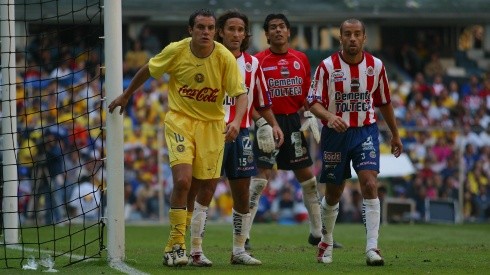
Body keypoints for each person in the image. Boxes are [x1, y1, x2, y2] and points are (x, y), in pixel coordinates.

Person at [108, 9, 248, 267]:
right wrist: (126, 95)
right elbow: (148, 70)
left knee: (203, 188)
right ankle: (175, 244)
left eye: (210, 28)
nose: (205, 32)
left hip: (212, 126)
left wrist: (237, 121)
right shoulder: (176, 50)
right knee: (183, 182)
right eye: (200, 27)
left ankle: (192, 248)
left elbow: (241, 94)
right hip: (180, 121)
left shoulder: (224, 57)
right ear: (190, 30)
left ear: (215, 31)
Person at [186, 10, 284, 266]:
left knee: (242, 193)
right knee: (206, 189)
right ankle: (195, 250)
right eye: (231, 29)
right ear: (220, 31)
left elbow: (262, 102)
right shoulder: (208, 57)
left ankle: (238, 250)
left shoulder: (253, 65)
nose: (236, 34)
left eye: (241, 30)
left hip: (241, 134)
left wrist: (273, 125)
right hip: (211, 132)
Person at [306, 18, 403, 266]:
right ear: (340, 38)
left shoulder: (376, 66)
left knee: (370, 183)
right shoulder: (327, 67)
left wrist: (395, 133)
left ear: (364, 38)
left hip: (365, 132)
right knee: (335, 192)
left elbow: (384, 101)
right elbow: (312, 102)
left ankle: (372, 248)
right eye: (347, 34)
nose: (352, 38)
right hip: (334, 135)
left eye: (357, 34)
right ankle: (326, 240)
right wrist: (329, 116)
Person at [247, 13, 325, 250]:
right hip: (266, 123)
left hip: (292, 123)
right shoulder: (256, 60)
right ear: (266, 34)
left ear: (289, 31)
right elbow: (247, 98)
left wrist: (310, 113)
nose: (278, 30)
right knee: (260, 180)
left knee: (309, 179)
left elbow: (306, 95)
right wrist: (261, 123)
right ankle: (243, 236)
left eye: (282, 26)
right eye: (273, 27)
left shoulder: (301, 58)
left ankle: (318, 234)